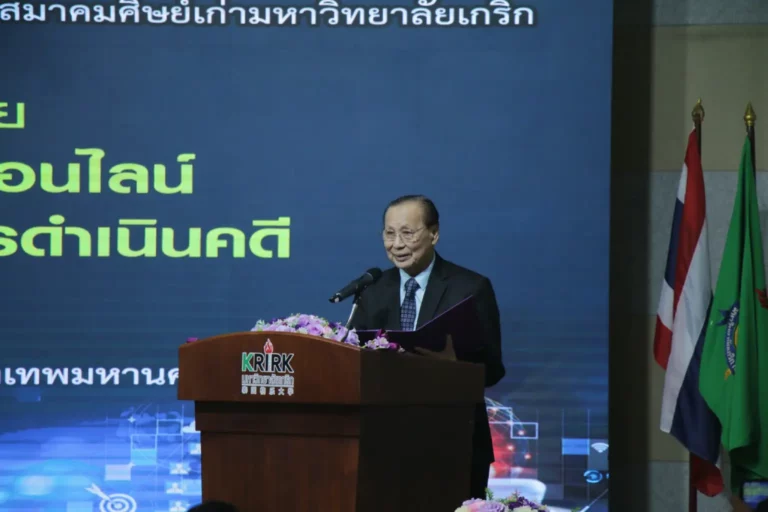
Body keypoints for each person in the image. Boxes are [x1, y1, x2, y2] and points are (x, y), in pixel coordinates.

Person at [350, 194, 506, 499]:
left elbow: (494, 370)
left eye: (407, 233)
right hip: (384, 444)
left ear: (434, 234)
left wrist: (455, 369)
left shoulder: (470, 288)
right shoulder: (371, 291)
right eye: (389, 234)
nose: (397, 244)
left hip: (454, 440)